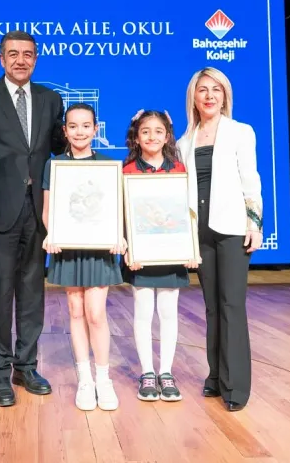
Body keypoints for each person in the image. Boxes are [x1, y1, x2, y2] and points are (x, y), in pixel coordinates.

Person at [0, 30, 67, 407]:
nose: (21, 60)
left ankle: (26, 366)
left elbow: (60, 147)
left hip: (38, 213)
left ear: (36, 58)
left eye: (28, 54)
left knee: (32, 294)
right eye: (13, 54)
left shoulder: (51, 99)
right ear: (1, 59)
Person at [176, 66, 263, 412]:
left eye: (216, 89)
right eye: (202, 90)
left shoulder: (241, 132)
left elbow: (251, 180)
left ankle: (236, 386)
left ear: (225, 96)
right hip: (199, 233)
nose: (210, 95)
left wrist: (254, 223)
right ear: (193, 99)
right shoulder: (184, 141)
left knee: (231, 306)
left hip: (231, 230)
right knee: (211, 307)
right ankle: (215, 376)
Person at [41, 103, 125, 411]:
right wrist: (53, 234)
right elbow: (48, 212)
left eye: (86, 126)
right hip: (69, 249)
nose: (80, 131)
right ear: (65, 130)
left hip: (99, 250)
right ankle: (85, 379)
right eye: (73, 126)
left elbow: (115, 210)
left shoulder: (108, 164)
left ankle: (104, 379)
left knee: (96, 314)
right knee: (75, 312)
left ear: (95, 129)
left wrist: (119, 236)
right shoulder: (54, 166)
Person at [121, 109, 200, 403]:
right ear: (136, 137)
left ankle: (166, 372)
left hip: (173, 255)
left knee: (168, 313)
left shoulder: (179, 169)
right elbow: (124, 216)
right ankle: (147, 373)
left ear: (167, 136)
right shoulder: (127, 171)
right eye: (145, 131)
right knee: (143, 314)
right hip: (141, 257)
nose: (151, 136)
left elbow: (189, 214)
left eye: (158, 131)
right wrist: (130, 248)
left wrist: (191, 249)